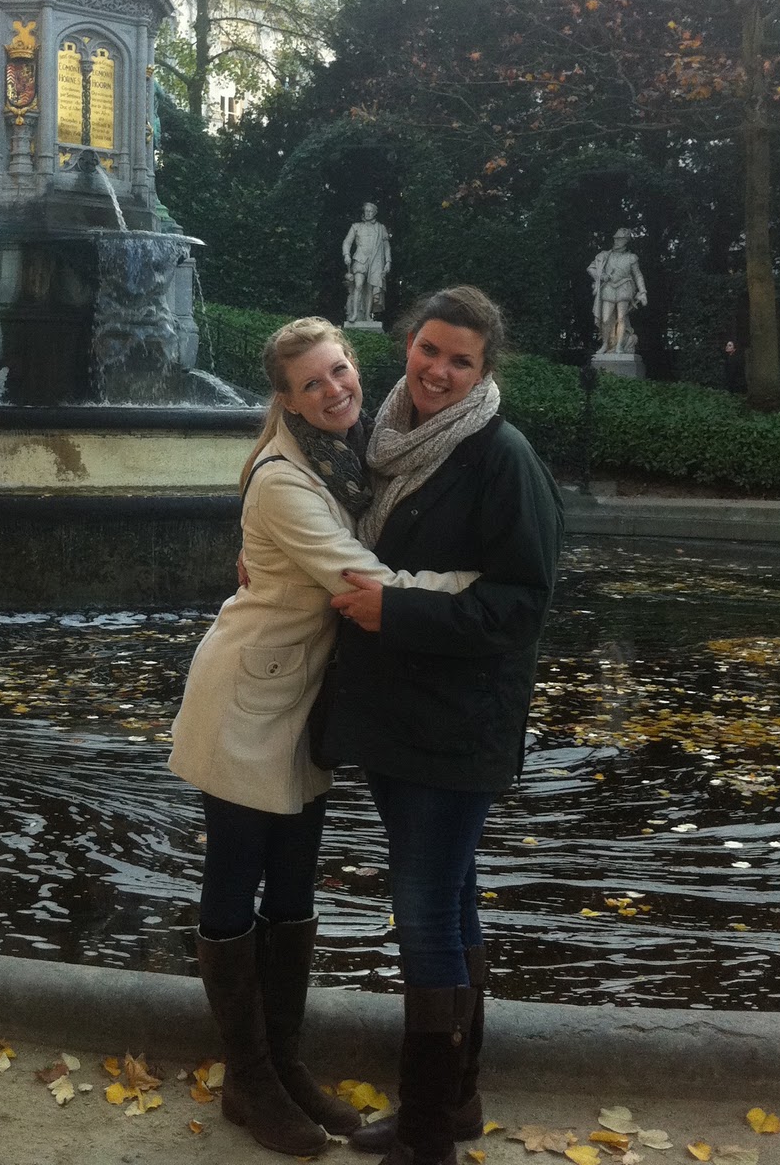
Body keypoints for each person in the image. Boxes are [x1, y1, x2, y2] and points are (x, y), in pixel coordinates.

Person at [168, 317, 473, 1159]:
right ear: (288, 399)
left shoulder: (350, 455)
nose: (334, 389)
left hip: (301, 702)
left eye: (339, 370)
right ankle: (248, 1079)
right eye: (312, 383)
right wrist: (476, 585)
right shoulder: (283, 480)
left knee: (295, 886)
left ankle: (284, 1065)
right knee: (236, 878)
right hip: (244, 704)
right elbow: (361, 580)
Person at [322, 286, 563, 1165]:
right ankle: (454, 1103)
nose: (438, 370)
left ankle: (426, 1135)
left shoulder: (501, 458)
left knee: (423, 909)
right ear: (407, 345)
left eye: (459, 360)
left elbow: (520, 605)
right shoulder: (383, 439)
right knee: (450, 899)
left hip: (457, 724)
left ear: (484, 369)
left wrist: (397, 613)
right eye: (428, 349)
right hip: (400, 715)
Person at [587, 228, 646, 354]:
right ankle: (605, 344)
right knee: (605, 319)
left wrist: (643, 291)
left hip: (624, 287)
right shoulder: (605, 255)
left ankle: (619, 346)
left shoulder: (631, 258)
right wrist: (602, 276)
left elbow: (638, 275)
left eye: (620, 239)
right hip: (608, 288)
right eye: (616, 238)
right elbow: (591, 268)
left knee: (621, 318)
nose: (617, 241)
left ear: (626, 241)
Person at [343, 202, 392, 324]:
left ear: (375, 213)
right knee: (358, 285)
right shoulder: (356, 226)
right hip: (360, 259)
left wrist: (388, 261)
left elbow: (386, 246)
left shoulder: (380, 228)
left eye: (371, 211)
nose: (368, 213)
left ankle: (367, 316)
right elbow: (347, 242)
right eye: (366, 211)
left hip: (375, 261)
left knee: (370, 288)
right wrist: (346, 254)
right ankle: (355, 314)